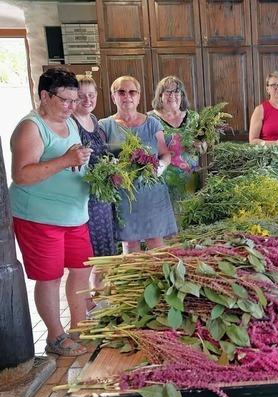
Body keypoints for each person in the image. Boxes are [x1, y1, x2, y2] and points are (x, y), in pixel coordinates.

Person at [10, 68, 92, 356]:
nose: (71, 106)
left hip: (74, 215)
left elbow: (68, 158)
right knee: (50, 277)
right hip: (40, 218)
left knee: (83, 269)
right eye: (65, 100)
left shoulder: (67, 122)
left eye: (74, 100)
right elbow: (21, 175)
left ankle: (81, 327)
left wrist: (81, 161)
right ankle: (55, 337)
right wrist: (66, 159)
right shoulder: (31, 127)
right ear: (44, 96)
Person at [99, 76, 177, 253]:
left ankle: (157, 278)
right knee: (130, 244)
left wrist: (160, 167)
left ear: (139, 96)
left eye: (132, 92)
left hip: (152, 192)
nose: (127, 97)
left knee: (156, 243)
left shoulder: (152, 123)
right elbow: (101, 160)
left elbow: (165, 154)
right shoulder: (104, 126)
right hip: (125, 194)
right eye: (121, 92)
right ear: (113, 97)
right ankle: (135, 280)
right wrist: (112, 171)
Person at [72, 75, 117, 258]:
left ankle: (102, 286)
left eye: (91, 95)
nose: (88, 100)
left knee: (106, 250)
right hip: (84, 197)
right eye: (82, 96)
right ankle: (94, 286)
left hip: (102, 195)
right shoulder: (71, 123)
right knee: (91, 255)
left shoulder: (93, 119)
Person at [148, 76, 202, 207]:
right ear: (160, 95)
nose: (172, 95)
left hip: (191, 181)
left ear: (182, 95)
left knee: (191, 220)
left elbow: (204, 143)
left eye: (177, 91)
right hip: (162, 182)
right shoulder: (150, 119)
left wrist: (201, 146)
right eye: (168, 91)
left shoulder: (194, 117)